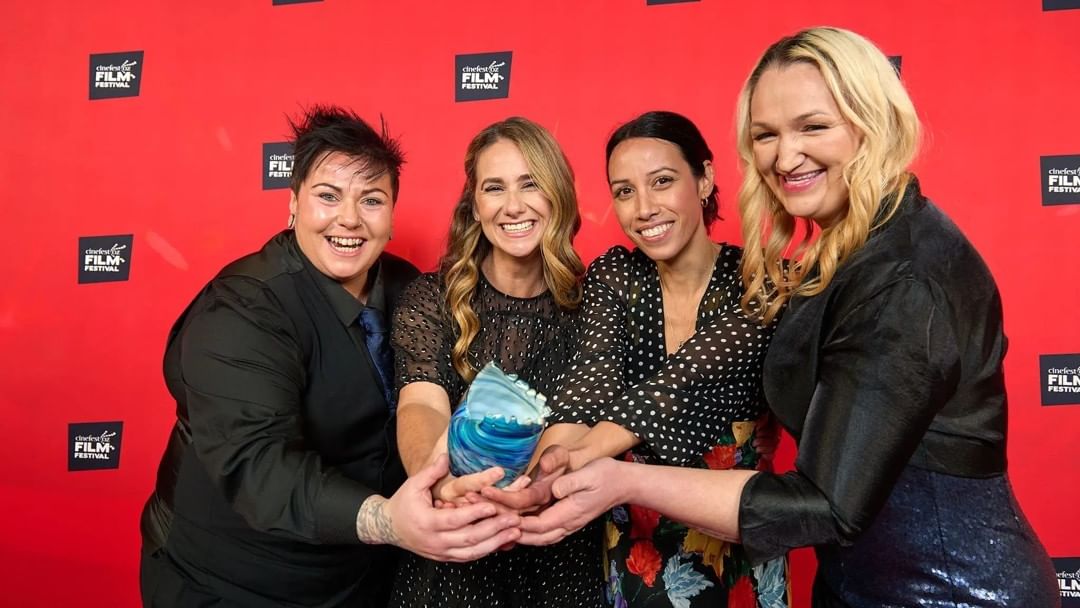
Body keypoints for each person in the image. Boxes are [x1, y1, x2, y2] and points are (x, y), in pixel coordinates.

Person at [505, 28, 1060, 608]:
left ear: (874, 122)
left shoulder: (903, 277)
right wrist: (555, 461)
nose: (784, 155)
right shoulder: (851, 252)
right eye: (765, 135)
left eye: (813, 126)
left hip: (946, 589)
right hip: (863, 582)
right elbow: (602, 386)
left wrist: (625, 478)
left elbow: (826, 504)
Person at [139, 105, 522, 608]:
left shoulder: (410, 288)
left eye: (371, 200)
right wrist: (389, 521)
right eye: (328, 196)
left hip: (362, 578)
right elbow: (258, 467)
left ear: (390, 215)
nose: (349, 218)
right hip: (236, 582)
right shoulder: (241, 310)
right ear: (293, 203)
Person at [492, 111, 788, 607]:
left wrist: (580, 458)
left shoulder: (762, 280)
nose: (644, 208)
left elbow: (683, 380)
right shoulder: (614, 275)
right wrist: (546, 468)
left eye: (663, 182)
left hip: (733, 534)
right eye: (624, 191)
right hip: (636, 547)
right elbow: (590, 381)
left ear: (705, 178)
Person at [388, 117, 604, 607]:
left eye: (530, 184)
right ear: (475, 205)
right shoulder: (433, 299)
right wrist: (440, 480)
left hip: (559, 561)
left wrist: (537, 486)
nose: (513, 206)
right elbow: (421, 404)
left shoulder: (596, 305)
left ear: (558, 194)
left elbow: (579, 421)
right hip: (453, 561)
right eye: (494, 187)